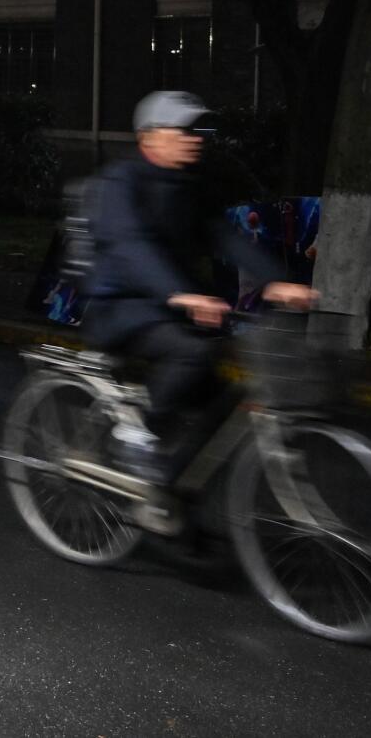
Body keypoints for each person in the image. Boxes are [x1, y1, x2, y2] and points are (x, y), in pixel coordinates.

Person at [82, 91, 319, 482]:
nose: (196, 138)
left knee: (221, 401)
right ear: (150, 137)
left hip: (170, 307)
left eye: (200, 130)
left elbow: (225, 237)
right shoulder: (121, 182)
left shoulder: (190, 186)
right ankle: (133, 434)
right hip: (121, 306)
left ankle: (171, 496)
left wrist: (278, 281)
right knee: (191, 352)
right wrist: (179, 293)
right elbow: (130, 243)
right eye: (185, 130)